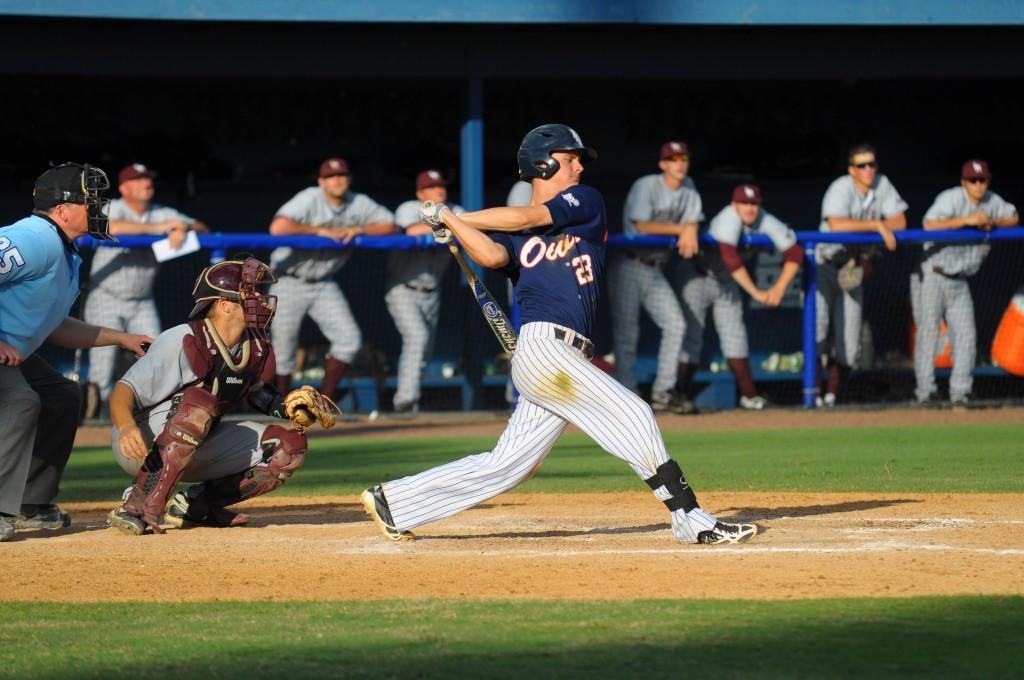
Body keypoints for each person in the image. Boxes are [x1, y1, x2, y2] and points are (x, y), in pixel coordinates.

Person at [360, 124, 757, 546]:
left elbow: (529, 217)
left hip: (564, 356)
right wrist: (454, 229)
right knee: (634, 414)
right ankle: (690, 518)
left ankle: (395, 502)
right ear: (543, 164)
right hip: (544, 348)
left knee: (509, 466)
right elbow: (493, 254)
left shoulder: (585, 201)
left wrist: (450, 217)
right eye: (572, 159)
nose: (580, 166)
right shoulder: (509, 230)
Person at [106, 257, 323, 535]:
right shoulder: (184, 339)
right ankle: (135, 505)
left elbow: (256, 393)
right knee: (199, 404)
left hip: (197, 438)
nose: (260, 298)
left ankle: (197, 506)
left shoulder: (254, 346)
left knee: (287, 448)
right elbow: (123, 391)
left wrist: (291, 408)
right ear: (224, 305)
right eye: (250, 293)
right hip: (142, 442)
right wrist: (125, 428)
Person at [0, 163, 152, 542]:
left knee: (63, 396)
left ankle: (31, 503)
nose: (100, 208)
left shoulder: (62, 250)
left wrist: (122, 338)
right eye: (91, 201)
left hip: (12, 353)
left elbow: (57, 327)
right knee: (20, 402)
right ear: (62, 210)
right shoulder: (35, 237)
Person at [84, 163, 209, 411]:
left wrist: (182, 226)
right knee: (102, 364)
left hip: (141, 300)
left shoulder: (161, 212)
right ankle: (94, 426)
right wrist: (160, 230)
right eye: (139, 179)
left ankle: (151, 414)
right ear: (124, 187)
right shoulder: (113, 207)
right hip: (106, 297)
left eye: (148, 179)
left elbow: (203, 228)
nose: (147, 183)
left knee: (157, 355)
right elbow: (108, 226)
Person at [268, 158, 395, 399]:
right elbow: (278, 227)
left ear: (349, 179)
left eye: (342, 175)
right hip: (288, 279)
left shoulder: (359, 202)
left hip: (324, 282)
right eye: (330, 177)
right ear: (321, 182)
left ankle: (325, 400)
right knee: (284, 347)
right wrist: (318, 231)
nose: (337, 180)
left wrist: (360, 230)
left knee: (349, 339)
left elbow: (391, 226)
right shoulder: (310, 198)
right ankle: (279, 405)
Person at [677, 184, 803, 410]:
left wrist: (779, 288)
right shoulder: (729, 217)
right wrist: (757, 293)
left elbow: (795, 253)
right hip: (699, 275)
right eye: (744, 203)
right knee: (692, 337)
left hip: (726, 281)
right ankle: (680, 393)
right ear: (734, 205)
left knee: (736, 337)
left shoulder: (764, 218)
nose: (749, 208)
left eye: (754, 203)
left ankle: (749, 395)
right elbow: (731, 260)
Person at [914, 160, 1018, 406]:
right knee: (929, 335)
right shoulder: (951, 199)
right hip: (933, 274)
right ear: (964, 183)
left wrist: (992, 222)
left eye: (983, 180)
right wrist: (967, 221)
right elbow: (928, 225)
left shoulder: (992, 201)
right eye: (974, 180)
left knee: (967, 336)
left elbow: (1013, 218)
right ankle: (925, 392)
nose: (979, 185)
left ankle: (961, 391)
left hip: (960, 281)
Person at [608, 140, 701, 414]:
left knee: (676, 324)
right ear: (663, 164)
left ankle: (663, 391)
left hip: (655, 268)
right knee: (627, 335)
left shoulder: (689, 187)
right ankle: (627, 395)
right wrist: (682, 229)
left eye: (683, 158)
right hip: (629, 262)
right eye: (673, 159)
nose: (680, 163)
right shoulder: (646, 184)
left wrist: (691, 227)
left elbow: (693, 220)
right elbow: (642, 225)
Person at [816, 144, 907, 406]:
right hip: (824, 265)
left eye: (872, 164)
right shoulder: (841, 187)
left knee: (850, 340)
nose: (868, 170)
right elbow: (836, 225)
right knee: (817, 335)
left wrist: (876, 229)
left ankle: (832, 396)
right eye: (861, 165)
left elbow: (900, 222)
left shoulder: (882, 184)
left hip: (852, 265)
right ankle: (812, 396)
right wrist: (877, 225)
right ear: (851, 170)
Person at [385, 170, 464, 414]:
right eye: (432, 187)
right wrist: (448, 228)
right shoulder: (409, 208)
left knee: (424, 350)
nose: (439, 190)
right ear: (421, 193)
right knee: (417, 338)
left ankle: (411, 405)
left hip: (432, 292)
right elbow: (412, 231)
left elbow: (470, 225)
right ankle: (404, 401)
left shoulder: (455, 209)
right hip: (402, 288)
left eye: (441, 186)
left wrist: (449, 226)